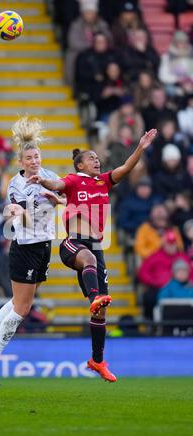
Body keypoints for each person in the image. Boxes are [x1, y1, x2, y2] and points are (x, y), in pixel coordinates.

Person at [28, 128, 158, 382]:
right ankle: (95, 296)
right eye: (91, 158)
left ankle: (97, 361)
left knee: (100, 313)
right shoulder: (74, 181)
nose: (97, 161)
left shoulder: (104, 181)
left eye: (98, 158)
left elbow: (126, 167)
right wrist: (42, 181)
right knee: (88, 264)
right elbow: (57, 185)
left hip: (96, 248)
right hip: (73, 244)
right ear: (79, 164)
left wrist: (141, 146)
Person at [0, 116, 65, 388]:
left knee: (16, 302)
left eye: (37, 156)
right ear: (21, 162)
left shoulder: (50, 177)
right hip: (25, 247)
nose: (34, 161)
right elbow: (19, 218)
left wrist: (56, 199)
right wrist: (22, 213)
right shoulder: (16, 185)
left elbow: (66, 197)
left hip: (44, 246)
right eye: (29, 158)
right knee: (22, 308)